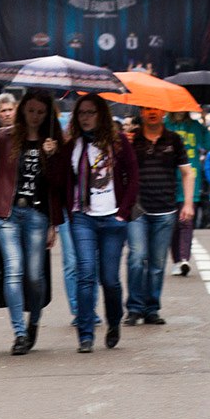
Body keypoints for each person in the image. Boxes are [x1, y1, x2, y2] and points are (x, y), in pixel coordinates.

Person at [0, 91, 63, 354]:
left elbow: (58, 186)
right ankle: (19, 333)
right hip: (6, 213)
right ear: (22, 110)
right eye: (30, 110)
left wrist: (53, 156)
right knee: (14, 270)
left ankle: (34, 320)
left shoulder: (53, 141)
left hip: (37, 215)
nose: (34, 116)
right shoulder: (4, 137)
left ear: (47, 115)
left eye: (40, 112)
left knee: (34, 276)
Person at [53, 94, 138, 352]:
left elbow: (133, 177)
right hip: (82, 219)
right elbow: (57, 181)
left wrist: (123, 213)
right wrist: (53, 154)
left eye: (91, 112)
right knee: (86, 275)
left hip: (113, 219)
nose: (86, 118)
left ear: (100, 115)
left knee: (110, 279)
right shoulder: (72, 145)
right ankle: (86, 334)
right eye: (81, 113)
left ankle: (114, 322)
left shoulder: (118, 142)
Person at [123, 106, 194, 327]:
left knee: (157, 263)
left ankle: (152, 308)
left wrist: (188, 204)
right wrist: (121, 145)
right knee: (137, 257)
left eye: (156, 109)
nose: (152, 112)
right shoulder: (131, 140)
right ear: (142, 113)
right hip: (137, 210)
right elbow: (118, 169)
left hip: (165, 209)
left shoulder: (174, 139)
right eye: (147, 109)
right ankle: (134, 308)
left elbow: (187, 172)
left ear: (163, 112)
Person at [165, 110, 210, 276]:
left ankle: (184, 259)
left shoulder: (195, 126)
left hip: (191, 178)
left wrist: (204, 123)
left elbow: (207, 145)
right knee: (173, 224)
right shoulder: (166, 125)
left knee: (187, 221)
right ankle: (176, 260)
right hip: (169, 179)